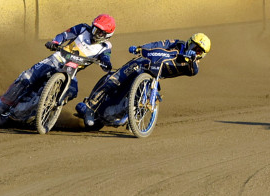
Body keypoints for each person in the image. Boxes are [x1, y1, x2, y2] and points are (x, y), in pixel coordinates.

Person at [76, 32, 211, 126]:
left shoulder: (191, 65)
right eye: (194, 47)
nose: (195, 51)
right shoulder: (176, 44)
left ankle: (132, 117)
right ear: (189, 42)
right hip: (142, 63)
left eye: (199, 51)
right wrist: (140, 48)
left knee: (153, 93)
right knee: (114, 79)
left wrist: (192, 59)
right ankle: (89, 106)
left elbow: (194, 72)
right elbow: (156, 44)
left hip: (154, 77)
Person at [0, 14, 115, 115]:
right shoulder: (82, 28)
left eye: (99, 32)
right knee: (27, 76)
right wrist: (55, 42)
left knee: (72, 91)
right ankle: (3, 102)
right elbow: (65, 35)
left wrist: (106, 63)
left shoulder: (106, 46)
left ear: (107, 35)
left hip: (72, 71)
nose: (95, 33)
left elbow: (106, 57)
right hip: (57, 59)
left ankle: (42, 112)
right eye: (94, 29)